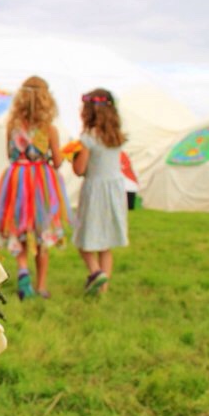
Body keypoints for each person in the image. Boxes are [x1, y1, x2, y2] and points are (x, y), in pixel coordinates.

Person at [0, 75, 69, 301]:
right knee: (42, 230)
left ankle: (23, 270)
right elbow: (57, 159)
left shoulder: (12, 127)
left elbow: (10, 155)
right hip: (41, 183)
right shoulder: (49, 130)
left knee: (20, 227)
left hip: (17, 180)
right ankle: (41, 285)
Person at [72, 88, 128, 295]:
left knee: (83, 240)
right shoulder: (116, 136)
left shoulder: (88, 137)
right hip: (114, 192)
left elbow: (80, 170)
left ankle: (96, 273)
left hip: (95, 191)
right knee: (106, 244)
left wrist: (73, 157)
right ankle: (102, 290)